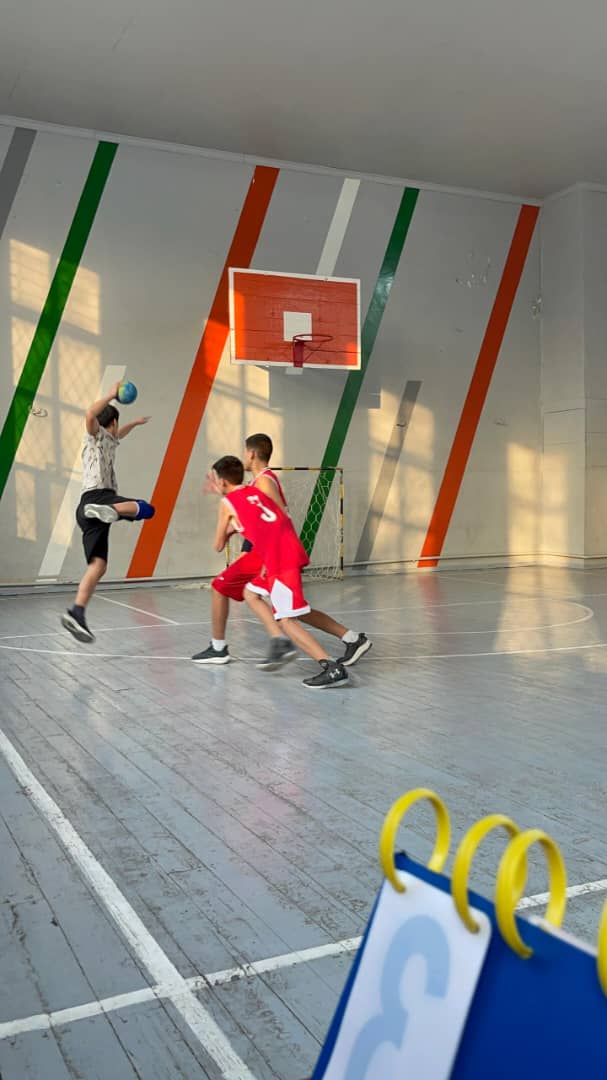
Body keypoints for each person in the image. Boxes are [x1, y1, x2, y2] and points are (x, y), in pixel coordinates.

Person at [192, 433, 371, 669]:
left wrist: (262, 555)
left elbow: (279, 518)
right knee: (275, 602)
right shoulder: (253, 485)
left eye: (245, 451)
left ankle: (274, 644)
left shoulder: (264, 482)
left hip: (273, 551)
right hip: (269, 550)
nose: (243, 455)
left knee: (269, 605)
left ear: (251, 454)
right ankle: (349, 638)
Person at [211, 455, 352, 689]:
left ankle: (331, 667)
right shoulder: (255, 491)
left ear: (222, 481)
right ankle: (279, 641)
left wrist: (227, 525)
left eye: (215, 479)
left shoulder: (228, 503)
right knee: (251, 592)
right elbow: (277, 519)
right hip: (281, 551)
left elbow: (217, 546)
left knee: (287, 620)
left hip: (279, 559)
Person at [60, 381, 154, 644]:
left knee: (98, 566)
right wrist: (112, 395)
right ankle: (109, 510)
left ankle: (77, 612)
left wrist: (133, 424)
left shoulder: (110, 440)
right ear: (111, 422)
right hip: (99, 497)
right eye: (117, 424)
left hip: (87, 510)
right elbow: (90, 414)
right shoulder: (93, 436)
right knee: (147, 509)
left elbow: (118, 435)